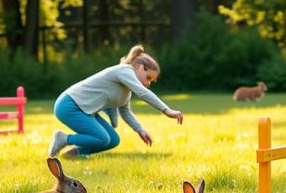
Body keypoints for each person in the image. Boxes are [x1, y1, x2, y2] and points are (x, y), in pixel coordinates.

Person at [48, 45, 184, 158]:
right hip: (69, 105)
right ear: (140, 67)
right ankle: (64, 139)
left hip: (85, 110)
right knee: (103, 138)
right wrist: (166, 110)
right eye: (148, 78)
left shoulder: (126, 87)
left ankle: (77, 153)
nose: (148, 83)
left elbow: (125, 111)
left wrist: (140, 130)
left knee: (113, 140)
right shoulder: (124, 71)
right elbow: (143, 93)